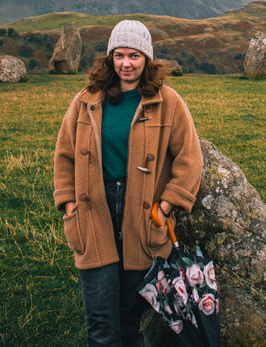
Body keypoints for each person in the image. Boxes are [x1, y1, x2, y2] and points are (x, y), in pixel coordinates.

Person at [53, 20, 203, 346]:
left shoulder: (168, 102)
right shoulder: (86, 101)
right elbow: (64, 156)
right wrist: (69, 205)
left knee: (130, 322)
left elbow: (190, 159)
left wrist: (165, 206)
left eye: (134, 56)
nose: (126, 64)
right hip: (95, 211)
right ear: (110, 58)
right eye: (119, 55)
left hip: (143, 215)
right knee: (101, 323)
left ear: (146, 59)